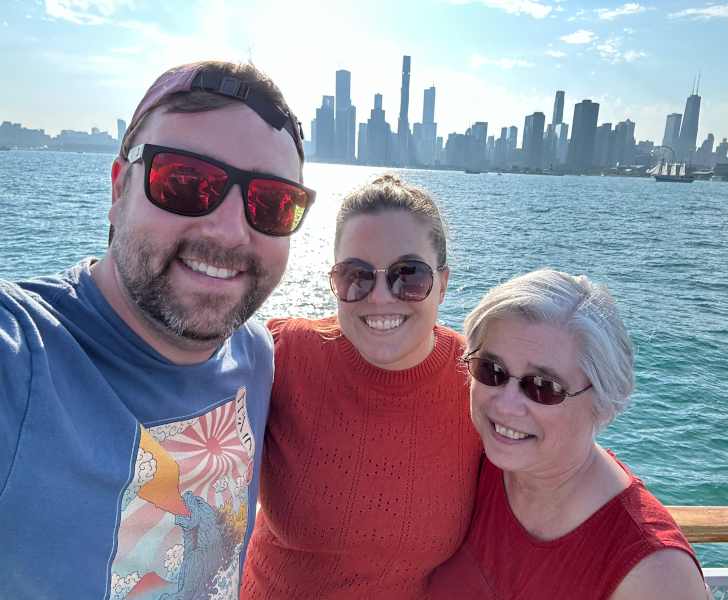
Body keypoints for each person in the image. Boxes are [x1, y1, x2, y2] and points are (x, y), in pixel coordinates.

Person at [0, 60, 315, 598]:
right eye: (186, 183)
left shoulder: (257, 354)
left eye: (272, 203)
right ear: (120, 189)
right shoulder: (24, 355)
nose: (230, 231)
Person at [241, 175, 484, 599]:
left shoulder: (481, 383)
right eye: (357, 275)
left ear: (443, 284)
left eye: (408, 275)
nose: (380, 297)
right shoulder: (284, 353)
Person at [430, 270, 709, 600]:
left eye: (543, 387)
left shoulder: (653, 575)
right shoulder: (470, 457)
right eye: (492, 370)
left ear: (601, 401)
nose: (505, 405)